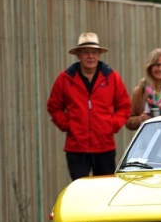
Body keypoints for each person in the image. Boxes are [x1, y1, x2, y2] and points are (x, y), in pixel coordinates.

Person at [47, 32, 131, 181]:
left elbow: (124, 106)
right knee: (80, 192)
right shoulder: (66, 78)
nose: (90, 56)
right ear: (78, 55)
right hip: (76, 148)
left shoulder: (111, 77)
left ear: (99, 54)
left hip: (105, 147)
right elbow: (54, 106)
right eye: (86, 52)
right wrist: (68, 125)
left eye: (94, 52)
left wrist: (111, 125)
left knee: (105, 192)